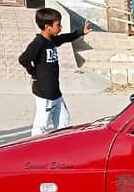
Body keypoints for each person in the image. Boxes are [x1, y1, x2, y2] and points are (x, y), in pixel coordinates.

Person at [18, 8, 91, 136]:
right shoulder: (38, 43)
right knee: (41, 124)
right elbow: (23, 59)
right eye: (58, 25)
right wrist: (33, 73)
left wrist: (80, 32)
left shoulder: (51, 40)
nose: (61, 27)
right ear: (48, 27)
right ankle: (36, 148)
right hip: (44, 93)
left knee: (64, 120)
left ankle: (59, 144)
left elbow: (64, 38)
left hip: (56, 92)